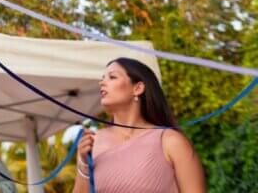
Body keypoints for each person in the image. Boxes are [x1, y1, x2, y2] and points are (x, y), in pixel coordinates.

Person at [74, 57, 206, 193]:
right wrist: (83, 164)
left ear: (137, 88)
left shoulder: (170, 141)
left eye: (112, 77)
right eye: (102, 78)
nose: (101, 82)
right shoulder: (92, 143)